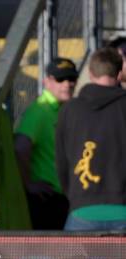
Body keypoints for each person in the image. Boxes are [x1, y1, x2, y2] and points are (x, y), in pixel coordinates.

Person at [55, 47, 126, 231]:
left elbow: (61, 162)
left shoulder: (69, 109)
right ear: (120, 74)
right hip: (123, 207)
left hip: (82, 209)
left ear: (90, 72)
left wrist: (75, 196)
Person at [14, 58, 77, 230]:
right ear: (47, 81)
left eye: (71, 79)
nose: (67, 84)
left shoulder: (64, 109)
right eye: (60, 79)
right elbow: (20, 147)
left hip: (61, 196)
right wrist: (28, 183)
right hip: (47, 198)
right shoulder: (40, 110)